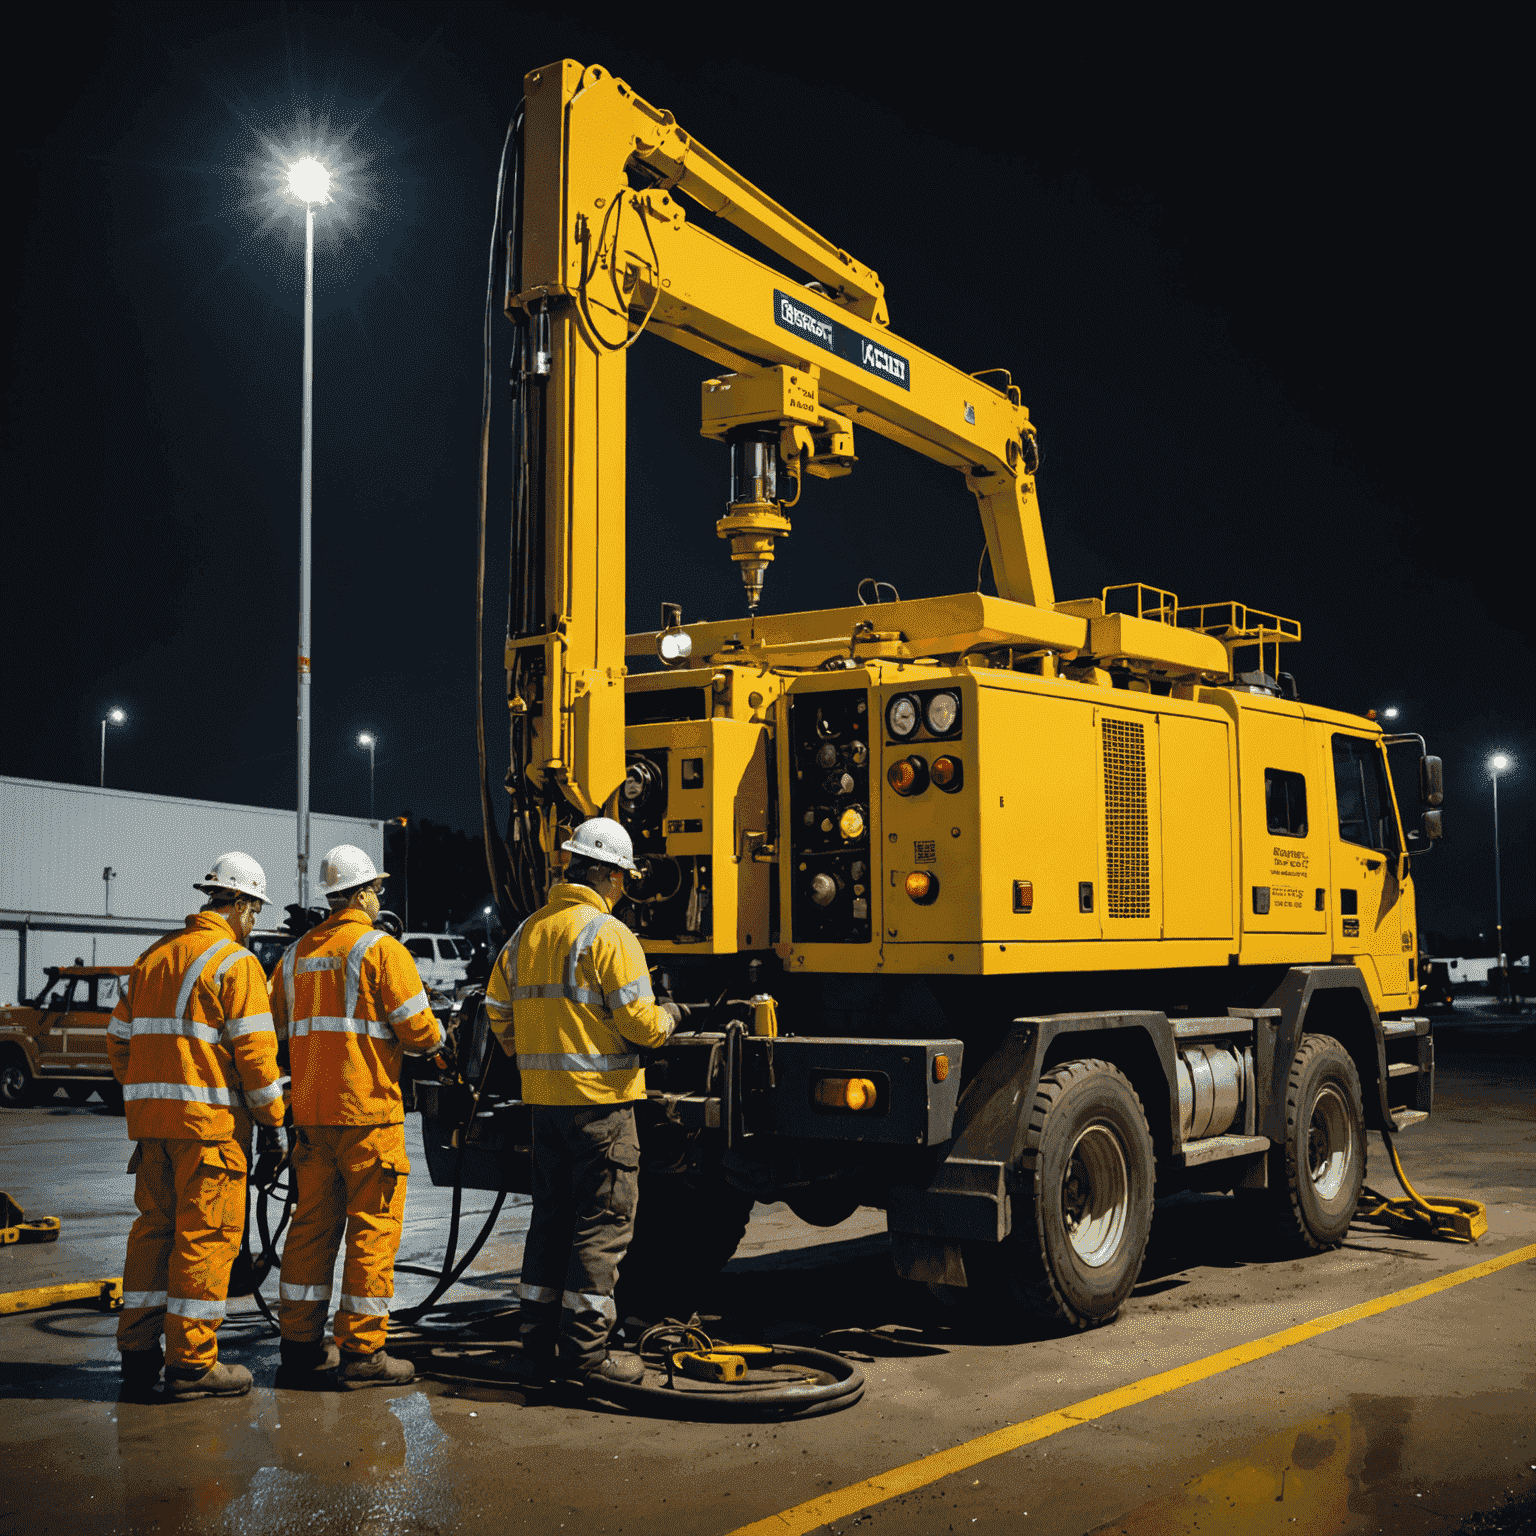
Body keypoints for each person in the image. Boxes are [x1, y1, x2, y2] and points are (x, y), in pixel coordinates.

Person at [484, 816, 680, 1388]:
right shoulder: (609, 934)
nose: (622, 887)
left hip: (547, 1108)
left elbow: (496, 1007)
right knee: (602, 1225)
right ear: (608, 875)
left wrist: (529, 1052)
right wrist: (670, 1016)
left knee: (550, 1221)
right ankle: (588, 1357)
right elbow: (641, 1026)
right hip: (602, 1110)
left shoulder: (527, 933)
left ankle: (536, 1343)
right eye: (622, 876)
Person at [107, 852, 285, 1399]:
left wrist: (150, 1095)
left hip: (153, 1129)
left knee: (153, 1235)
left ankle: (138, 1355)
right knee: (204, 1239)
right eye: (255, 911)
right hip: (209, 1130)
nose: (254, 922)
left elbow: (118, 1042)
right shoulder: (236, 964)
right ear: (243, 905)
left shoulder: (151, 958)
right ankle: (192, 1364)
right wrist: (273, 1124)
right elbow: (256, 1058)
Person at [270, 843, 445, 1388]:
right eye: (377, 890)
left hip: (311, 1118)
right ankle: (364, 1353)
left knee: (310, 1229)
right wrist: (443, 1038)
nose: (379, 899)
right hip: (368, 1117)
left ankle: (300, 1347)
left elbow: (273, 1029)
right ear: (364, 892)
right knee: (371, 1230)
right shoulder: (380, 950)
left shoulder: (295, 956)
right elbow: (419, 1034)